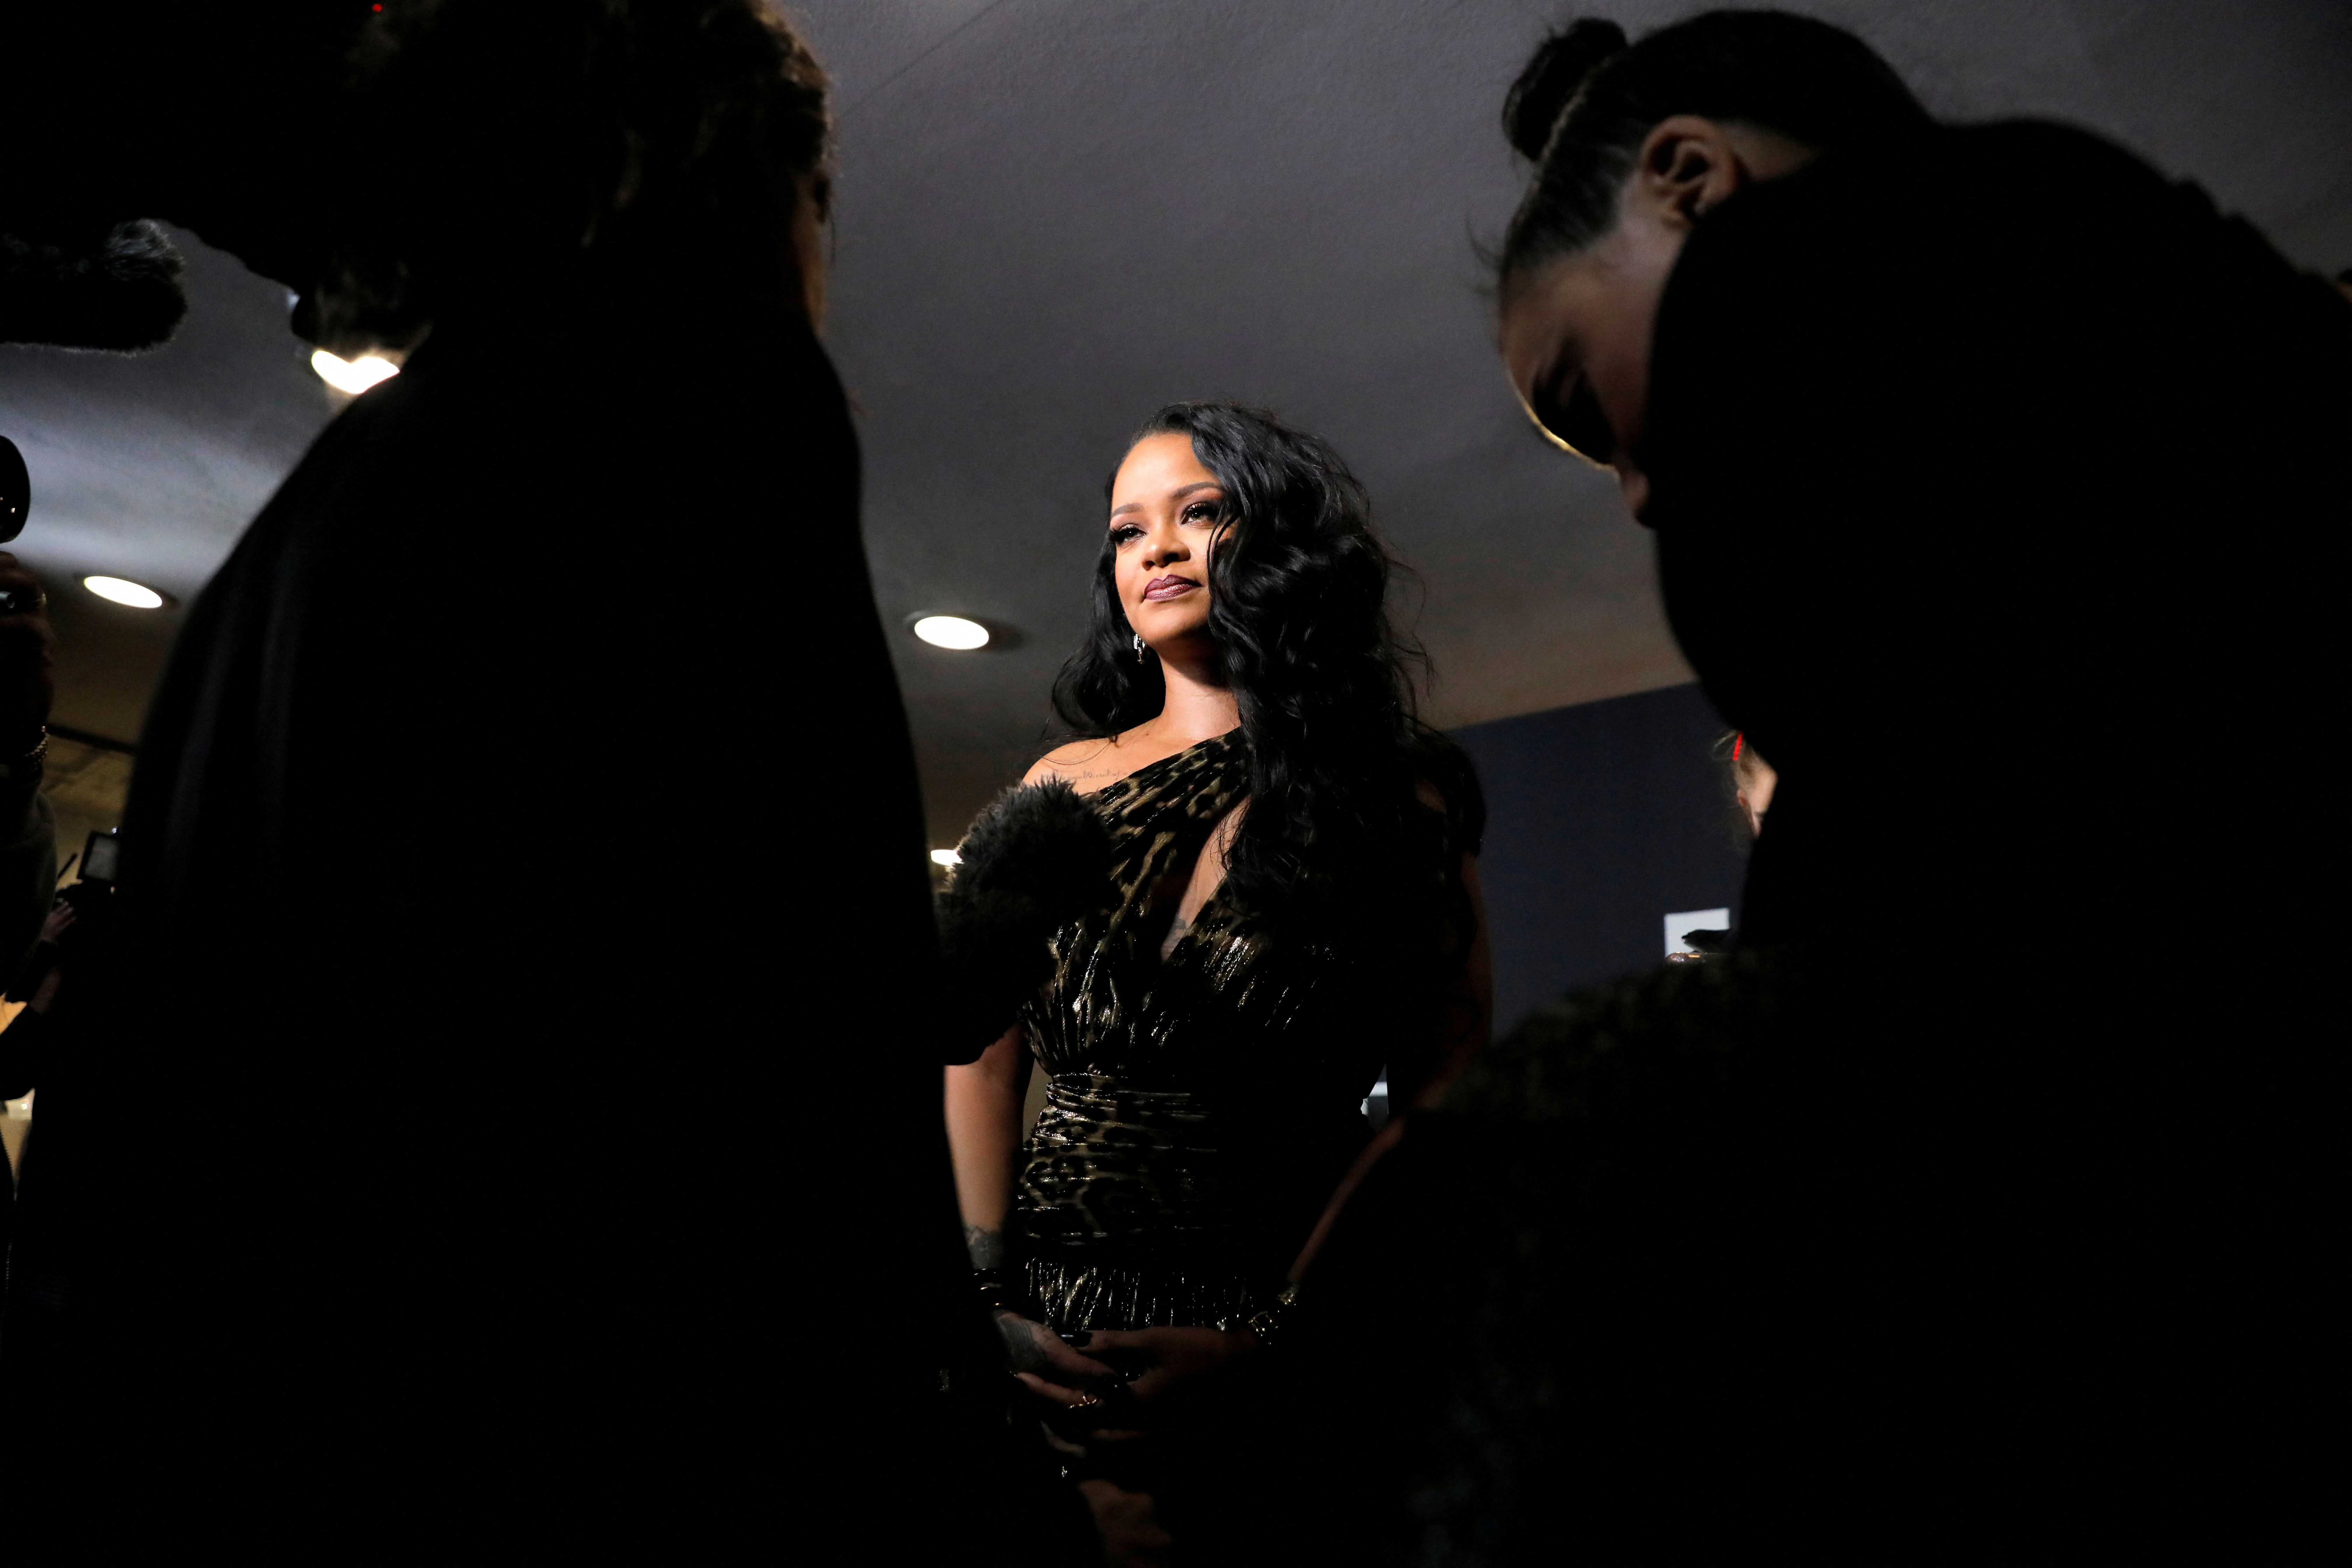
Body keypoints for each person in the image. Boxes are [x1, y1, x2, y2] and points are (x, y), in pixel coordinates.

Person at [1234, 10, 2346, 1560]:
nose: (1628, 481)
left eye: (1578, 398)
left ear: (1688, 177)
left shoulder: (1830, 304)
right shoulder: (2159, 294)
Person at [0, 8, 1089, 1558]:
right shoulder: (713, 406)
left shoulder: (325, 518)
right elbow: (764, 1036)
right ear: (737, 169)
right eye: (817, 194)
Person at [943, 402, 1490, 1528]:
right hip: (1047, 1325)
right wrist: (987, 1296)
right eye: (1125, 529)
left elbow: (1445, 1093)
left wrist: (1288, 1330)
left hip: (1268, 1308)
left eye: (1201, 512)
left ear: (1281, 542)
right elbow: (982, 1056)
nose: (1156, 548)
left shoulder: (1399, 793)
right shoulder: (1065, 782)